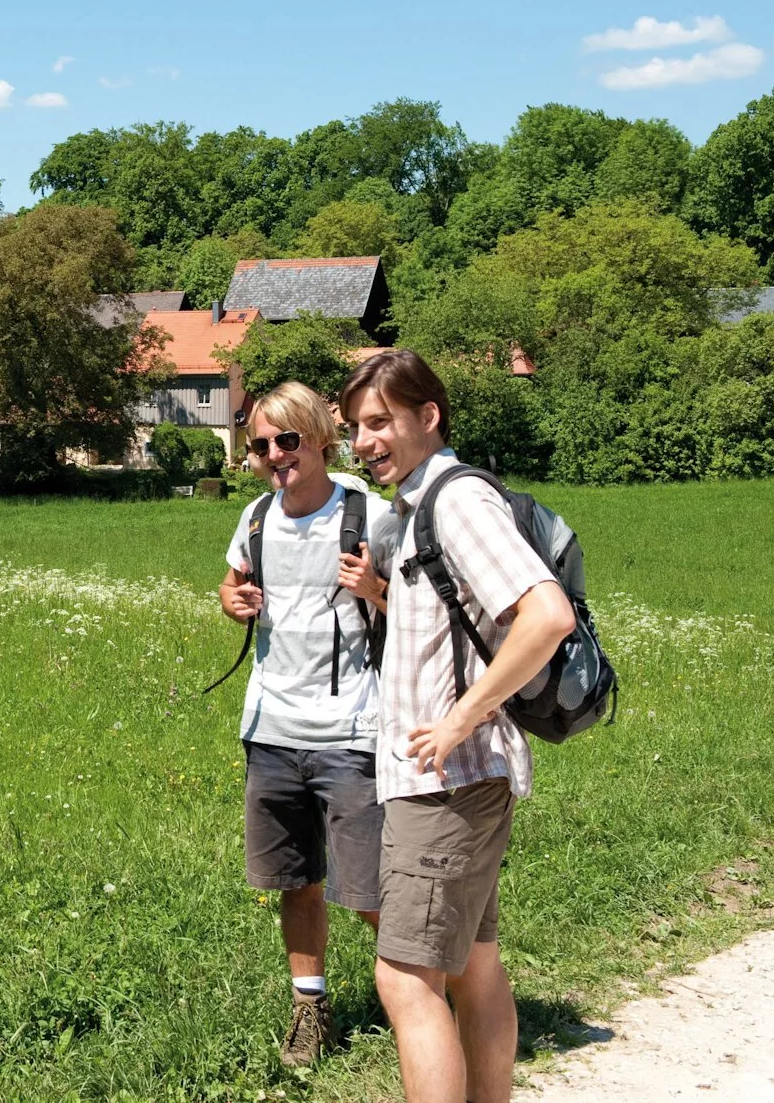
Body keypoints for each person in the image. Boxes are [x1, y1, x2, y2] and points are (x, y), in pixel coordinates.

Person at [339, 350, 575, 1103]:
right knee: (475, 963)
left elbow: (546, 615)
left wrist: (457, 721)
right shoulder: (419, 507)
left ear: (428, 415)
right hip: (455, 780)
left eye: (379, 422)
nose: (364, 441)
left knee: (406, 977)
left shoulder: (456, 500)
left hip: (448, 782)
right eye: (355, 428)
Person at [215, 382, 400, 1067]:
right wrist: (233, 601)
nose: (273, 455)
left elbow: (418, 613)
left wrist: (375, 591)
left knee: (372, 888)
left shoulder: (370, 517)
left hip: (352, 730)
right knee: (296, 879)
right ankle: (310, 1009)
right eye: (261, 444)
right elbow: (230, 584)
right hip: (272, 727)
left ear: (321, 439)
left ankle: (425, 995)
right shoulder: (257, 518)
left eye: (286, 440)